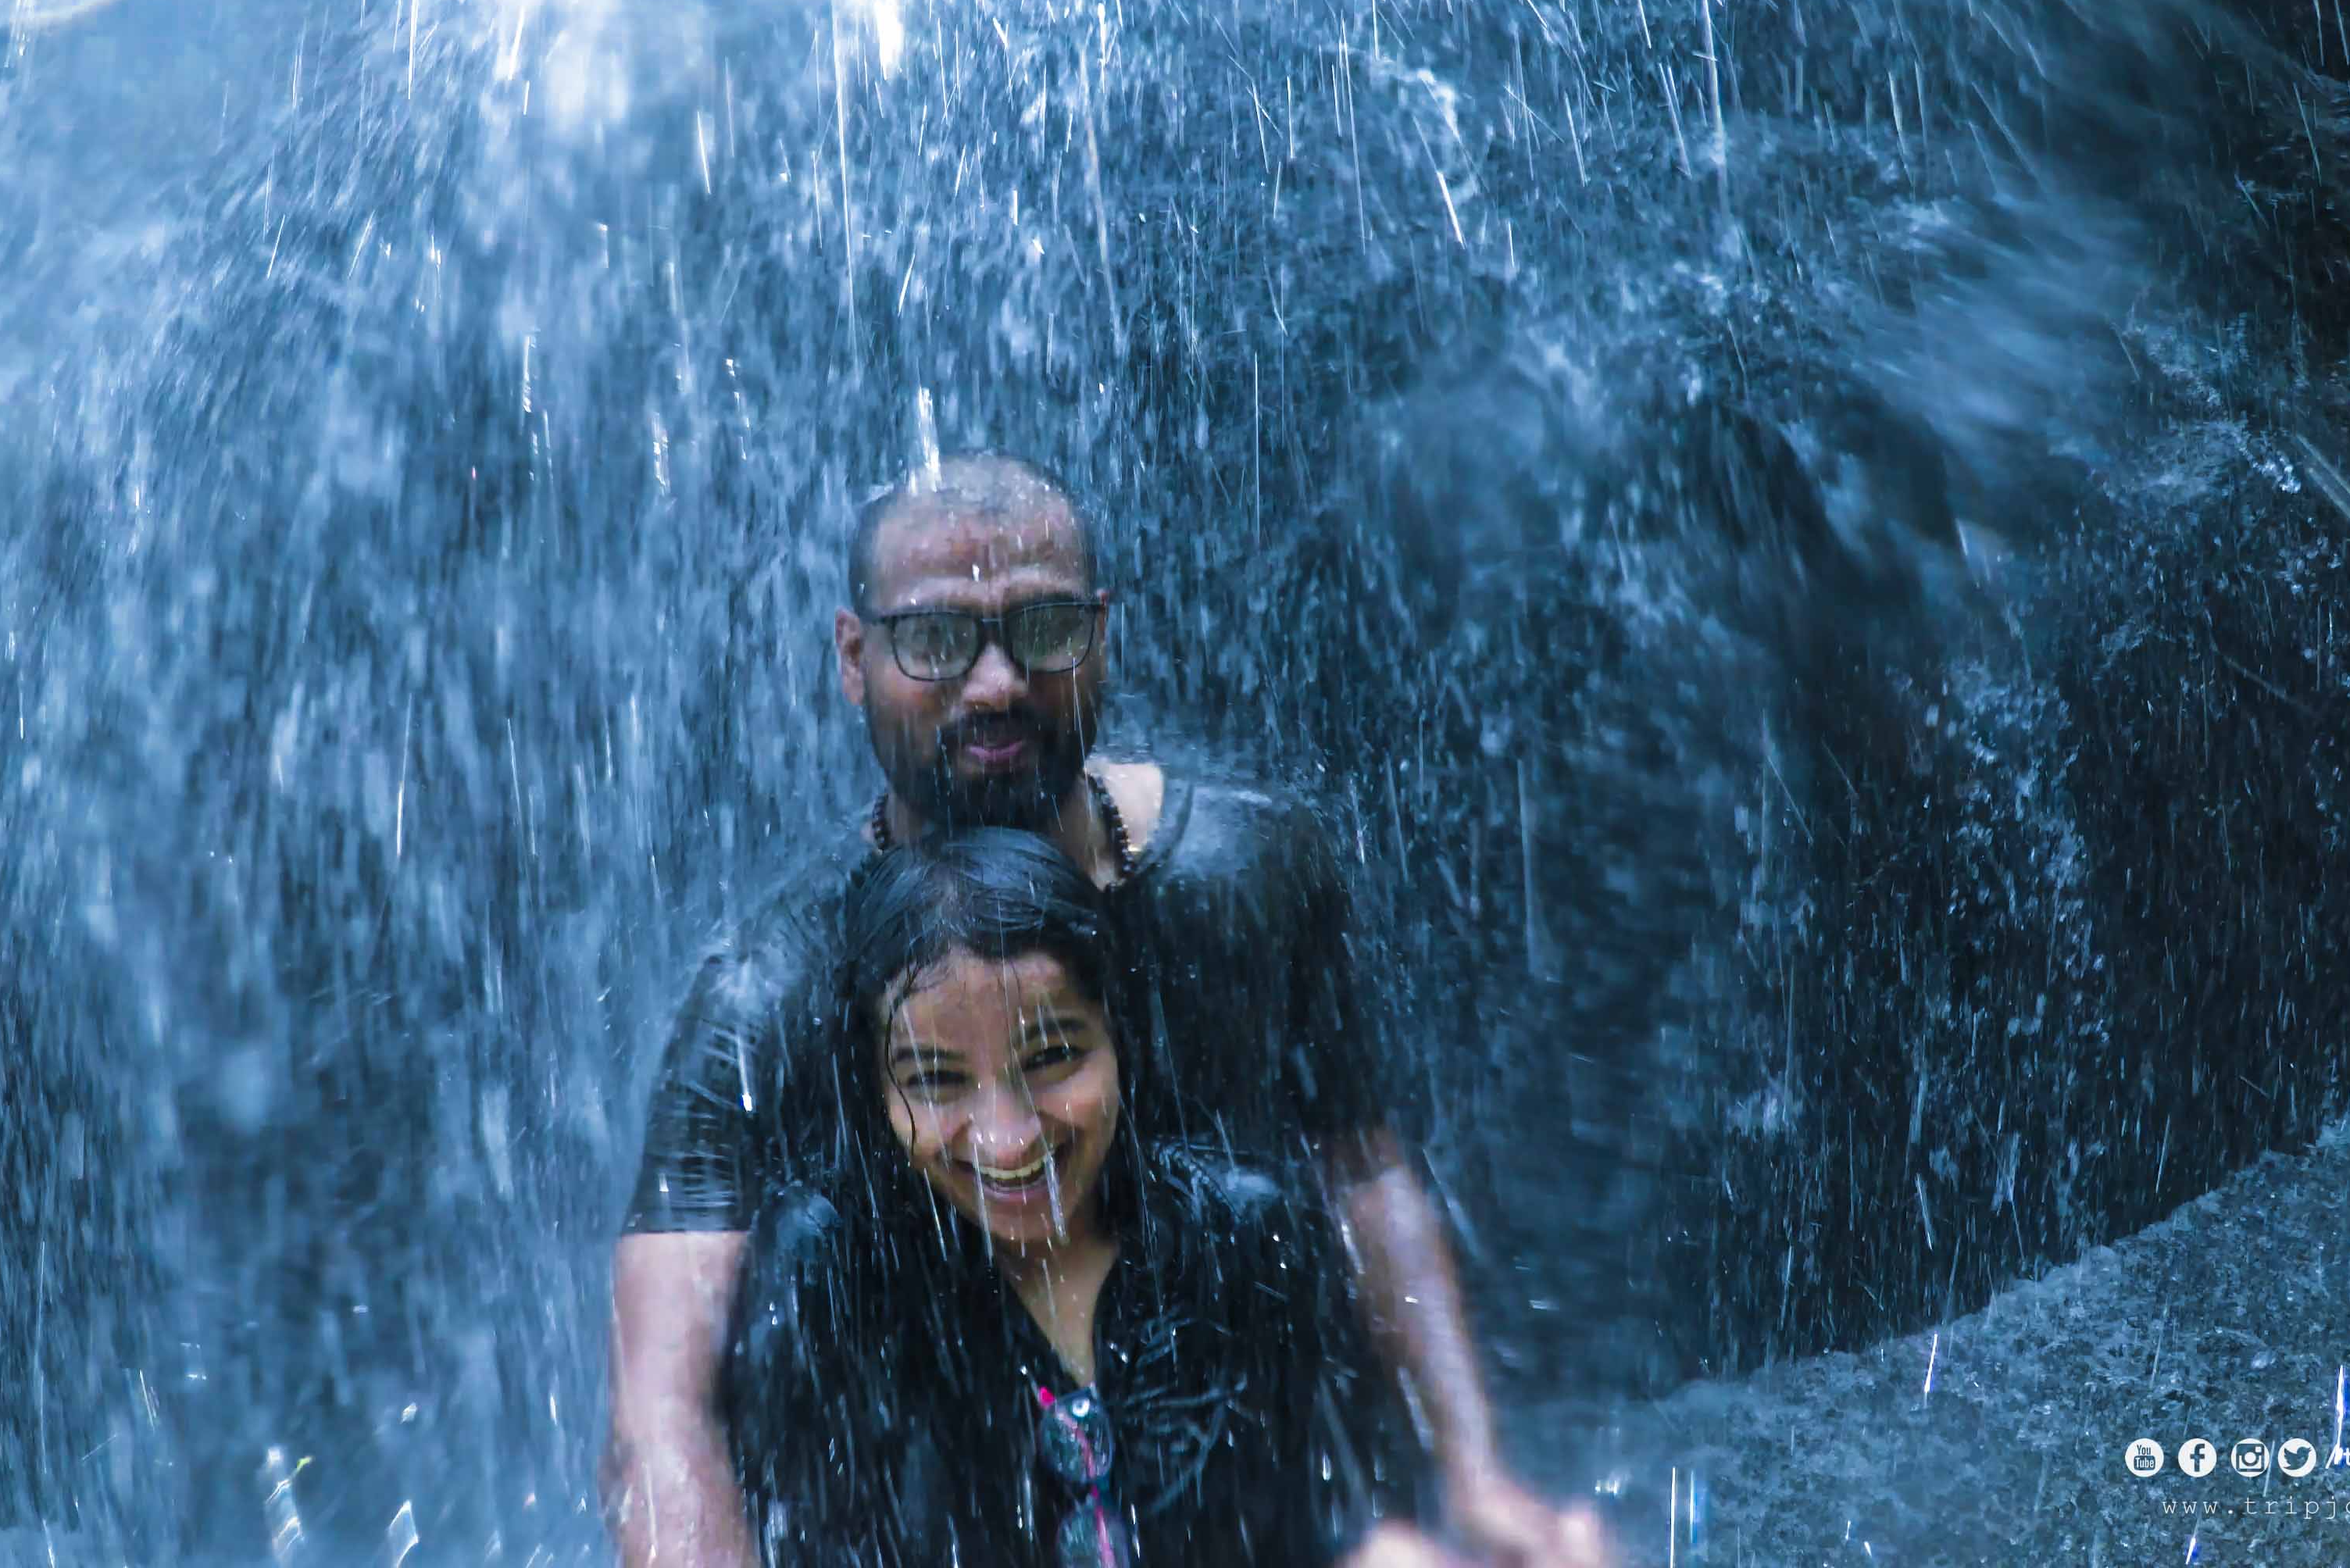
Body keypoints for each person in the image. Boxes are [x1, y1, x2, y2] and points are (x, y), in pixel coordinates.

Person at [605, 455, 1604, 1567]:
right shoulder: (770, 992)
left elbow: (1361, 1173)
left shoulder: (1250, 881)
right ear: (854, 657)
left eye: (1043, 628)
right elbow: (661, 1411)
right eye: (934, 638)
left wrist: (1471, 1473)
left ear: (1104, 633)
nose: (996, 684)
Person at [723, 827, 1446, 1567]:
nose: (1006, 1140)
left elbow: (1355, 1522)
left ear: (1121, 1036)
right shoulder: (830, 1276)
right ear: (874, 1092)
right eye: (935, 1080)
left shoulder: (1245, 1238)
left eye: (1053, 1057)